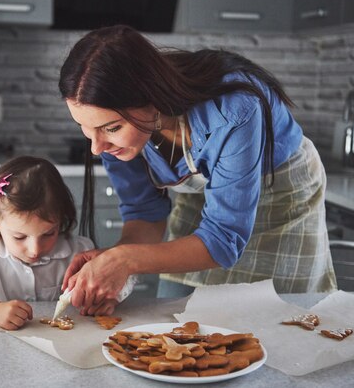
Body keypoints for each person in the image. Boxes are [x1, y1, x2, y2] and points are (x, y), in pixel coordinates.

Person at [58, 25, 337, 313]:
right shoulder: (110, 138)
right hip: (205, 201)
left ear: (152, 96)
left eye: (112, 128)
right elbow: (145, 214)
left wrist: (125, 260)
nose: (96, 148)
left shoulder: (235, 109)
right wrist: (114, 262)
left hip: (281, 193)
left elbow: (223, 240)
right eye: (86, 130)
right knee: (176, 311)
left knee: (281, 318)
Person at [0, 156, 130, 330]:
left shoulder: (80, 251)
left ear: (61, 219)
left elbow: (121, 276)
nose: (35, 250)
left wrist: (109, 300)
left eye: (48, 234)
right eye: (20, 237)